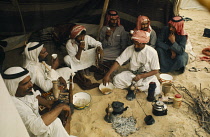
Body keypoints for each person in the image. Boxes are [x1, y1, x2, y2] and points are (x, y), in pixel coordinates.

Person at [2, 66, 76, 137]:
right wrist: (60, 107)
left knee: (57, 118)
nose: (31, 85)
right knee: (55, 122)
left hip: (36, 122)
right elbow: (36, 128)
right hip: (31, 133)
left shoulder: (23, 91)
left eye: (29, 81)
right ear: (13, 86)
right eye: (25, 83)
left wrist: (46, 103)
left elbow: (34, 95)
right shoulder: (13, 106)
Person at [103, 30, 160, 101]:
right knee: (116, 79)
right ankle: (134, 88)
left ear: (144, 43)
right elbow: (118, 61)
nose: (135, 46)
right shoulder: (130, 48)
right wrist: (108, 75)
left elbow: (155, 71)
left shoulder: (152, 52)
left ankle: (134, 88)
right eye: (135, 44)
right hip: (132, 75)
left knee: (156, 90)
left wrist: (141, 76)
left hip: (146, 77)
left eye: (138, 45)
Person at [64, 24, 103, 90]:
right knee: (66, 58)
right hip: (77, 60)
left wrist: (99, 49)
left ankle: (87, 68)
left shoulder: (87, 37)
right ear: (75, 37)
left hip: (86, 57)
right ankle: (81, 70)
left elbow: (97, 43)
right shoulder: (69, 44)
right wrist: (80, 50)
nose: (82, 38)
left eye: (83, 36)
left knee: (95, 50)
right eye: (80, 37)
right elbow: (75, 60)